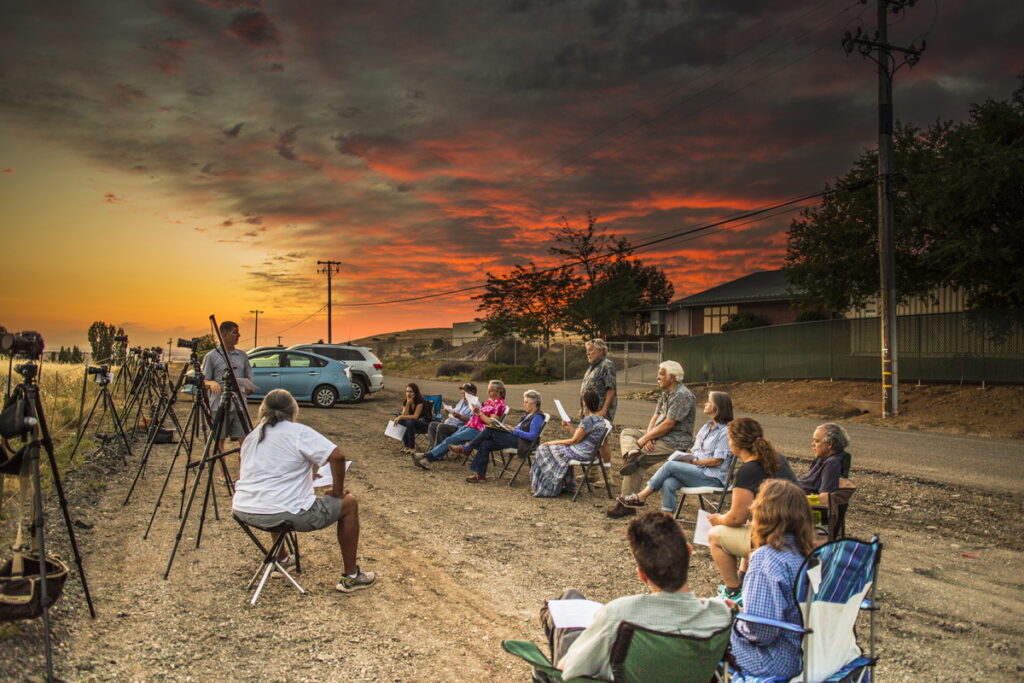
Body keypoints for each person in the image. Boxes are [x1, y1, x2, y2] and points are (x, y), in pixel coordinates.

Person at [536, 512, 732, 681]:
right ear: (689, 552)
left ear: (642, 575)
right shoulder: (722, 615)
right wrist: (719, 604)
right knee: (571, 599)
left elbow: (569, 673)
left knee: (567, 603)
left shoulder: (619, 613)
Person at [231, 389, 376, 593]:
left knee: (275, 497)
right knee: (349, 502)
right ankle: (351, 576)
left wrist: (304, 477)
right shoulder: (296, 431)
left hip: (245, 511)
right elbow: (338, 457)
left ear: (263, 410)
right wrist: (337, 491)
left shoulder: (252, 436)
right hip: (282, 513)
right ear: (293, 410)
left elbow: (264, 473)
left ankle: (281, 560)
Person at [730, 479, 816, 680]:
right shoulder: (807, 555)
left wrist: (733, 619)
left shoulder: (767, 558)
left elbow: (762, 633)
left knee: (703, 634)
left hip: (776, 660)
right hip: (811, 654)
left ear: (763, 513)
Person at [707, 417, 797, 602]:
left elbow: (735, 518)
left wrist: (719, 519)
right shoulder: (778, 459)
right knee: (751, 524)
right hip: (795, 532)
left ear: (736, 444)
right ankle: (743, 578)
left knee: (715, 536)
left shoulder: (748, 471)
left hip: (773, 539)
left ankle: (733, 591)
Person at [615, 391, 734, 514]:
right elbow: (695, 450)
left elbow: (717, 461)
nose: (705, 404)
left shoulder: (726, 431)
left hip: (713, 477)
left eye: (709, 402)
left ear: (718, 407)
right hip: (697, 470)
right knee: (668, 482)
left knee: (670, 466)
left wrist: (692, 462)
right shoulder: (707, 426)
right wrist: (685, 457)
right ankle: (667, 521)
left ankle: (641, 496)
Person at [606, 360, 696, 519]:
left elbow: (669, 424)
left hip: (674, 441)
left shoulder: (683, 395)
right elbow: (655, 417)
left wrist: (644, 440)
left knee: (636, 462)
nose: (657, 377)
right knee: (628, 432)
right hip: (660, 435)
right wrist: (648, 437)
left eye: (661, 374)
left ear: (673, 377)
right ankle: (632, 453)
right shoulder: (666, 394)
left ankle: (625, 506)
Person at [456, 389, 545, 482]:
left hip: (523, 443)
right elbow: (521, 430)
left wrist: (515, 431)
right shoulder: (529, 414)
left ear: (534, 403)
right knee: (485, 444)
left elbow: (533, 436)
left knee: (489, 429)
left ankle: (467, 448)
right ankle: (480, 475)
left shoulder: (538, 417)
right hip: (516, 438)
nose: (524, 404)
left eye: (526, 402)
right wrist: (508, 428)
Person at [530, 389, 607, 497]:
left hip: (582, 452)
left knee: (543, 448)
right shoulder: (600, 419)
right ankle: (564, 483)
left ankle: (548, 487)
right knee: (549, 449)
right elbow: (579, 437)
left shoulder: (588, 420)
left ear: (585, 403)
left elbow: (573, 440)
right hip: (590, 451)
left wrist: (553, 442)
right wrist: (569, 428)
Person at [415, 380, 508, 464]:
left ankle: (427, 457)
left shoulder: (500, 405)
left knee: (450, 440)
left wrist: (478, 413)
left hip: (479, 430)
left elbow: (491, 423)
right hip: (471, 425)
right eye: (488, 389)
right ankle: (428, 456)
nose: (488, 392)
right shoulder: (490, 401)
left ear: (498, 392)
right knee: (449, 439)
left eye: (491, 390)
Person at [201, 319, 254, 463]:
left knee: (245, 441)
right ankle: (222, 475)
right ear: (224, 334)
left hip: (239, 405)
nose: (239, 335)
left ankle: (242, 476)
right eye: (235, 332)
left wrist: (248, 388)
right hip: (219, 404)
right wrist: (211, 383)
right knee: (219, 440)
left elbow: (250, 379)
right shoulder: (211, 356)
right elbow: (202, 380)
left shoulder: (242, 356)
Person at [576, 339, 617, 476]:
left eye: (591, 350)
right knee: (589, 439)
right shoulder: (591, 367)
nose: (588, 353)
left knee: (602, 440)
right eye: (587, 350)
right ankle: (593, 473)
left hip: (600, 411)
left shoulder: (607, 365)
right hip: (589, 411)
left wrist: (604, 410)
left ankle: (607, 474)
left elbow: (611, 389)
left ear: (600, 351)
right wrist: (582, 408)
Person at [798, 423, 850, 500]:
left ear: (829, 444)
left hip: (799, 505)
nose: (813, 444)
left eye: (817, 441)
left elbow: (825, 498)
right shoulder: (822, 458)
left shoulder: (832, 463)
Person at [427, 382, 476, 449]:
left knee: (441, 427)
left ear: (473, 393)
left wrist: (460, 417)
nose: (463, 395)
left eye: (466, 393)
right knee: (431, 425)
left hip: (459, 428)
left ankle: (436, 453)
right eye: (463, 393)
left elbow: (473, 421)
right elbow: (454, 412)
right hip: (449, 423)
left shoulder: (475, 405)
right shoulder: (462, 401)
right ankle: (434, 450)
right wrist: (449, 411)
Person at [393, 383, 431, 454]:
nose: (408, 394)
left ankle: (412, 447)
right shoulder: (406, 401)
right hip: (412, 424)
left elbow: (415, 416)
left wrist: (400, 416)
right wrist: (407, 403)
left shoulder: (420, 401)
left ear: (415, 392)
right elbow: (405, 415)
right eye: (407, 391)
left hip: (424, 423)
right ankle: (406, 446)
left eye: (411, 391)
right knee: (402, 421)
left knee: (409, 421)